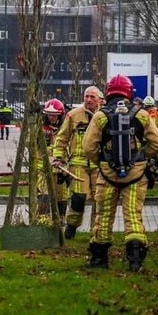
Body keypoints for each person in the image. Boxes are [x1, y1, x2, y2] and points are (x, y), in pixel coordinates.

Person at [81, 75, 158, 272]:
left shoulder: (100, 116)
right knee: (133, 215)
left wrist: (103, 161)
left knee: (103, 216)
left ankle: (99, 259)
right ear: (129, 92)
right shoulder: (142, 115)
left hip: (107, 175)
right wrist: (141, 157)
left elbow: (88, 147)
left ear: (108, 92)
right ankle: (135, 260)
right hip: (136, 176)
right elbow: (157, 144)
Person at [52, 86, 103, 240]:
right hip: (78, 165)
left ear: (99, 99)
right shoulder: (73, 115)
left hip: (99, 166)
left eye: (92, 97)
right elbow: (62, 138)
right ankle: (72, 225)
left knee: (100, 200)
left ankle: (97, 232)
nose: (88, 99)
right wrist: (58, 156)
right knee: (78, 198)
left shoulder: (104, 116)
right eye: (86, 96)